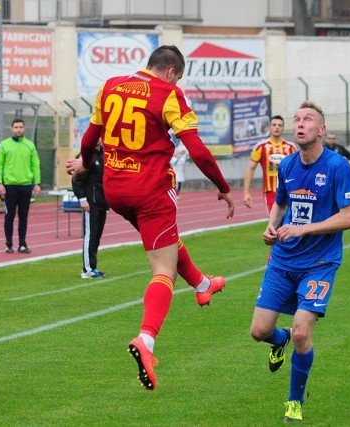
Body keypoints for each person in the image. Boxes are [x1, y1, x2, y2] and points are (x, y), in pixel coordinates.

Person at [65, 45, 235, 391]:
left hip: (115, 190)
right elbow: (198, 149)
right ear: (172, 72)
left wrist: (84, 162)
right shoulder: (169, 93)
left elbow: (90, 137)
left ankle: (203, 285)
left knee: (166, 242)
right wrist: (222, 186)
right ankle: (147, 339)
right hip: (149, 191)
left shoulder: (110, 85)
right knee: (163, 268)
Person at [249, 101, 350, 422]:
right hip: (283, 261)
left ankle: (294, 402)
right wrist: (271, 227)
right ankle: (278, 339)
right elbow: (281, 204)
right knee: (259, 331)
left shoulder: (338, 167)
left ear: (321, 130)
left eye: (307, 119)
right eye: (296, 119)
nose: (299, 124)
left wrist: (304, 228)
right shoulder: (287, 166)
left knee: (302, 333)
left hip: (320, 262)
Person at [0, 118, 42, 254]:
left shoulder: (30, 146)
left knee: (23, 216)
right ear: (11, 129)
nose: (18, 129)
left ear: (24, 128)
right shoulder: (4, 145)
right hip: (10, 186)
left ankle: (22, 244)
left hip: (26, 185)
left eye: (21, 127)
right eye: (16, 127)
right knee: (9, 215)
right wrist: (0, 183)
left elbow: (35, 166)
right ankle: (9, 243)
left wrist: (37, 183)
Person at [243, 115, 296, 213]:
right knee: (274, 222)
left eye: (280, 125)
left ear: (283, 128)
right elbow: (251, 168)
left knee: (289, 222)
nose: (277, 127)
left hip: (289, 191)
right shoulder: (261, 146)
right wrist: (246, 192)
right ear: (270, 127)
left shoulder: (291, 147)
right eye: (274, 125)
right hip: (270, 192)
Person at [72, 141, 108, 279]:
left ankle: (93, 267)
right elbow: (76, 180)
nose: (98, 139)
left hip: (102, 202)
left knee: (97, 236)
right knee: (90, 236)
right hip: (90, 203)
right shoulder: (85, 156)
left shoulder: (104, 155)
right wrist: (82, 199)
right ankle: (87, 269)